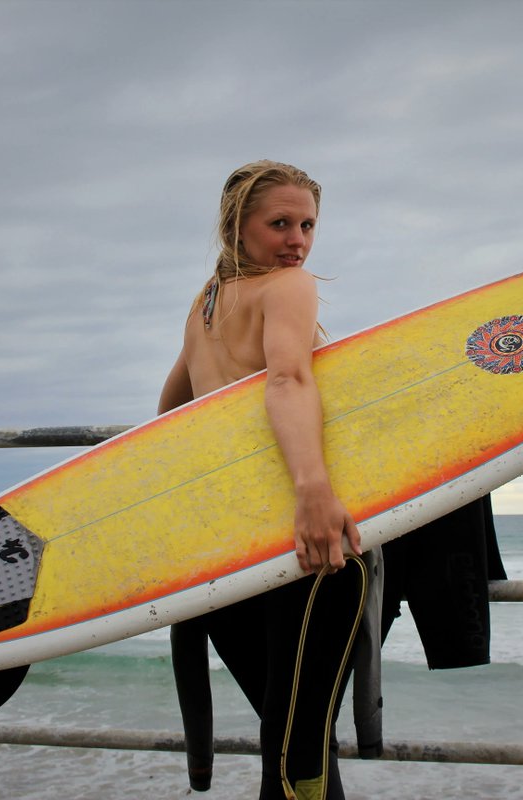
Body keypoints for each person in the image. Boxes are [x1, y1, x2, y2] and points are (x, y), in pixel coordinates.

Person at [158, 160, 365, 799]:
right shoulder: (287, 288)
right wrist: (313, 488)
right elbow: (287, 378)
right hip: (297, 539)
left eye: (306, 225)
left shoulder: (208, 303)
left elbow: (171, 411)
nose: (297, 241)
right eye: (279, 224)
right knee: (298, 752)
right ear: (237, 227)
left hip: (227, 546)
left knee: (297, 743)